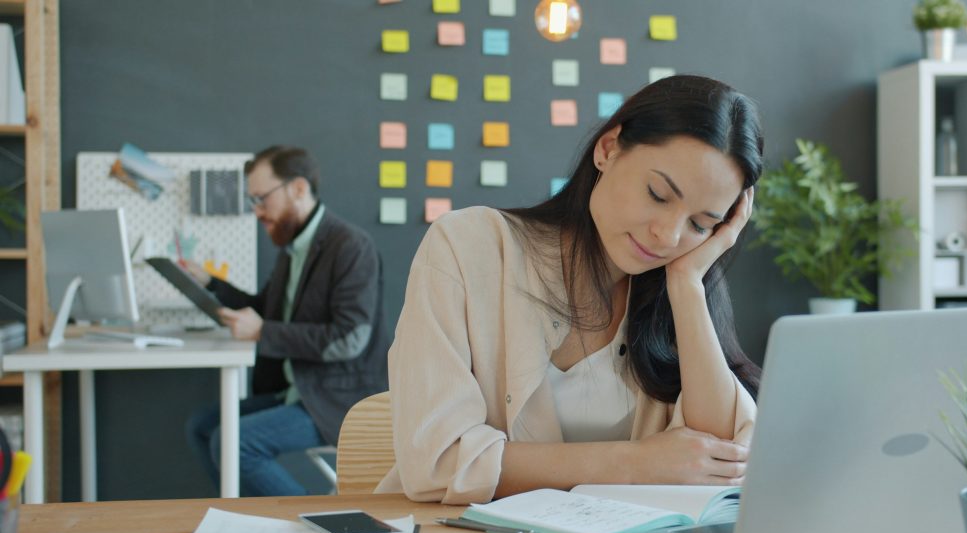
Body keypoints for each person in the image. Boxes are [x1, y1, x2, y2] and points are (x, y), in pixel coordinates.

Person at [379, 75, 763, 504]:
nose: (668, 236)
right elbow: (439, 461)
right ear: (608, 149)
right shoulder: (469, 246)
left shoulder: (672, 294)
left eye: (700, 224)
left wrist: (687, 284)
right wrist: (636, 463)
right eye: (658, 194)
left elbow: (721, 460)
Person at [184, 145, 388, 496]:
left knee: (234, 443)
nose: (257, 211)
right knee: (201, 426)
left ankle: (302, 524)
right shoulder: (293, 249)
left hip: (337, 400)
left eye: (261, 198)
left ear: (298, 189)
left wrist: (263, 332)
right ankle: (250, 519)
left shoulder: (350, 246)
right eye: (253, 201)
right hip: (300, 389)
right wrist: (209, 283)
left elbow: (349, 338)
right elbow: (265, 310)